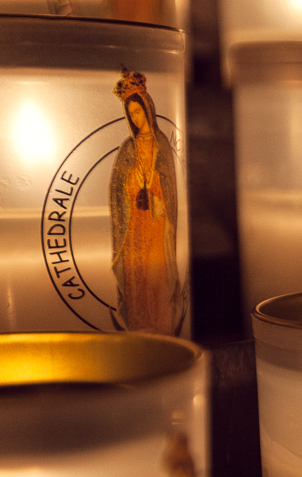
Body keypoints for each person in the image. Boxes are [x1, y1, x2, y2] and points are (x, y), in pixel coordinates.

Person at [110, 69, 185, 335]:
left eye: (138, 111)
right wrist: (132, 181)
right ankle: (139, 329)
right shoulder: (127, 149)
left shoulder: (162, 145)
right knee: (137, 280)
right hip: (134, 228)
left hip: (156, 223)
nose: (135, 118)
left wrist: (153, 185)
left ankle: (161, 327)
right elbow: (117, 191)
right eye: (131, 114)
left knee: (155, 279)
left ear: (148, 110)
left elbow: (171, 187)